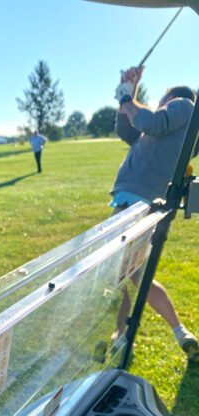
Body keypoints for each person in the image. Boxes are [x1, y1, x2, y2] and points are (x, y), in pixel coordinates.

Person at [112, 66, 199, 363]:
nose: (161, 103)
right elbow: (127, 128)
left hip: (135, 203)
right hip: (133, 202)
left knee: (126, 273)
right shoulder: (165, 133)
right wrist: (130, 92)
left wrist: (127, 97)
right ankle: (131, 336)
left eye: (164, 99)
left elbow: (148, 120)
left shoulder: (184, 105)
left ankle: (127, 337)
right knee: (129, 273)